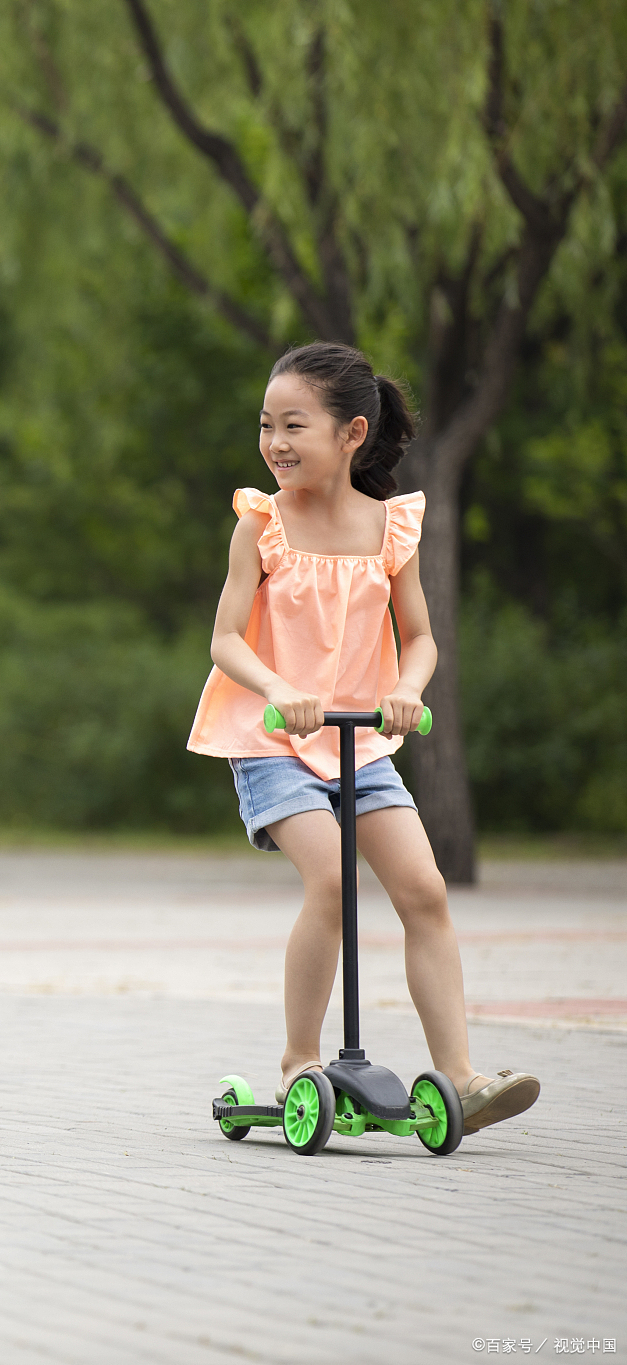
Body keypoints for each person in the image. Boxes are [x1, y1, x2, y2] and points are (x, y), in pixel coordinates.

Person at [188, 342, 537, 1135]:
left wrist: (407, 690)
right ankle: (299, 1062)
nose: (276, 442)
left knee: (424, 889)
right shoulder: (262, 524)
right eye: (267, 425)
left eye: (294, 425)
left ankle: (459, 1076)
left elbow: (418, 636)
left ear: (351, 435)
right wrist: (279, 688)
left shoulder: (392, 529)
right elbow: (225, 639)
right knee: (333, 880)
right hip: (274, 739)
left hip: (361, 741)